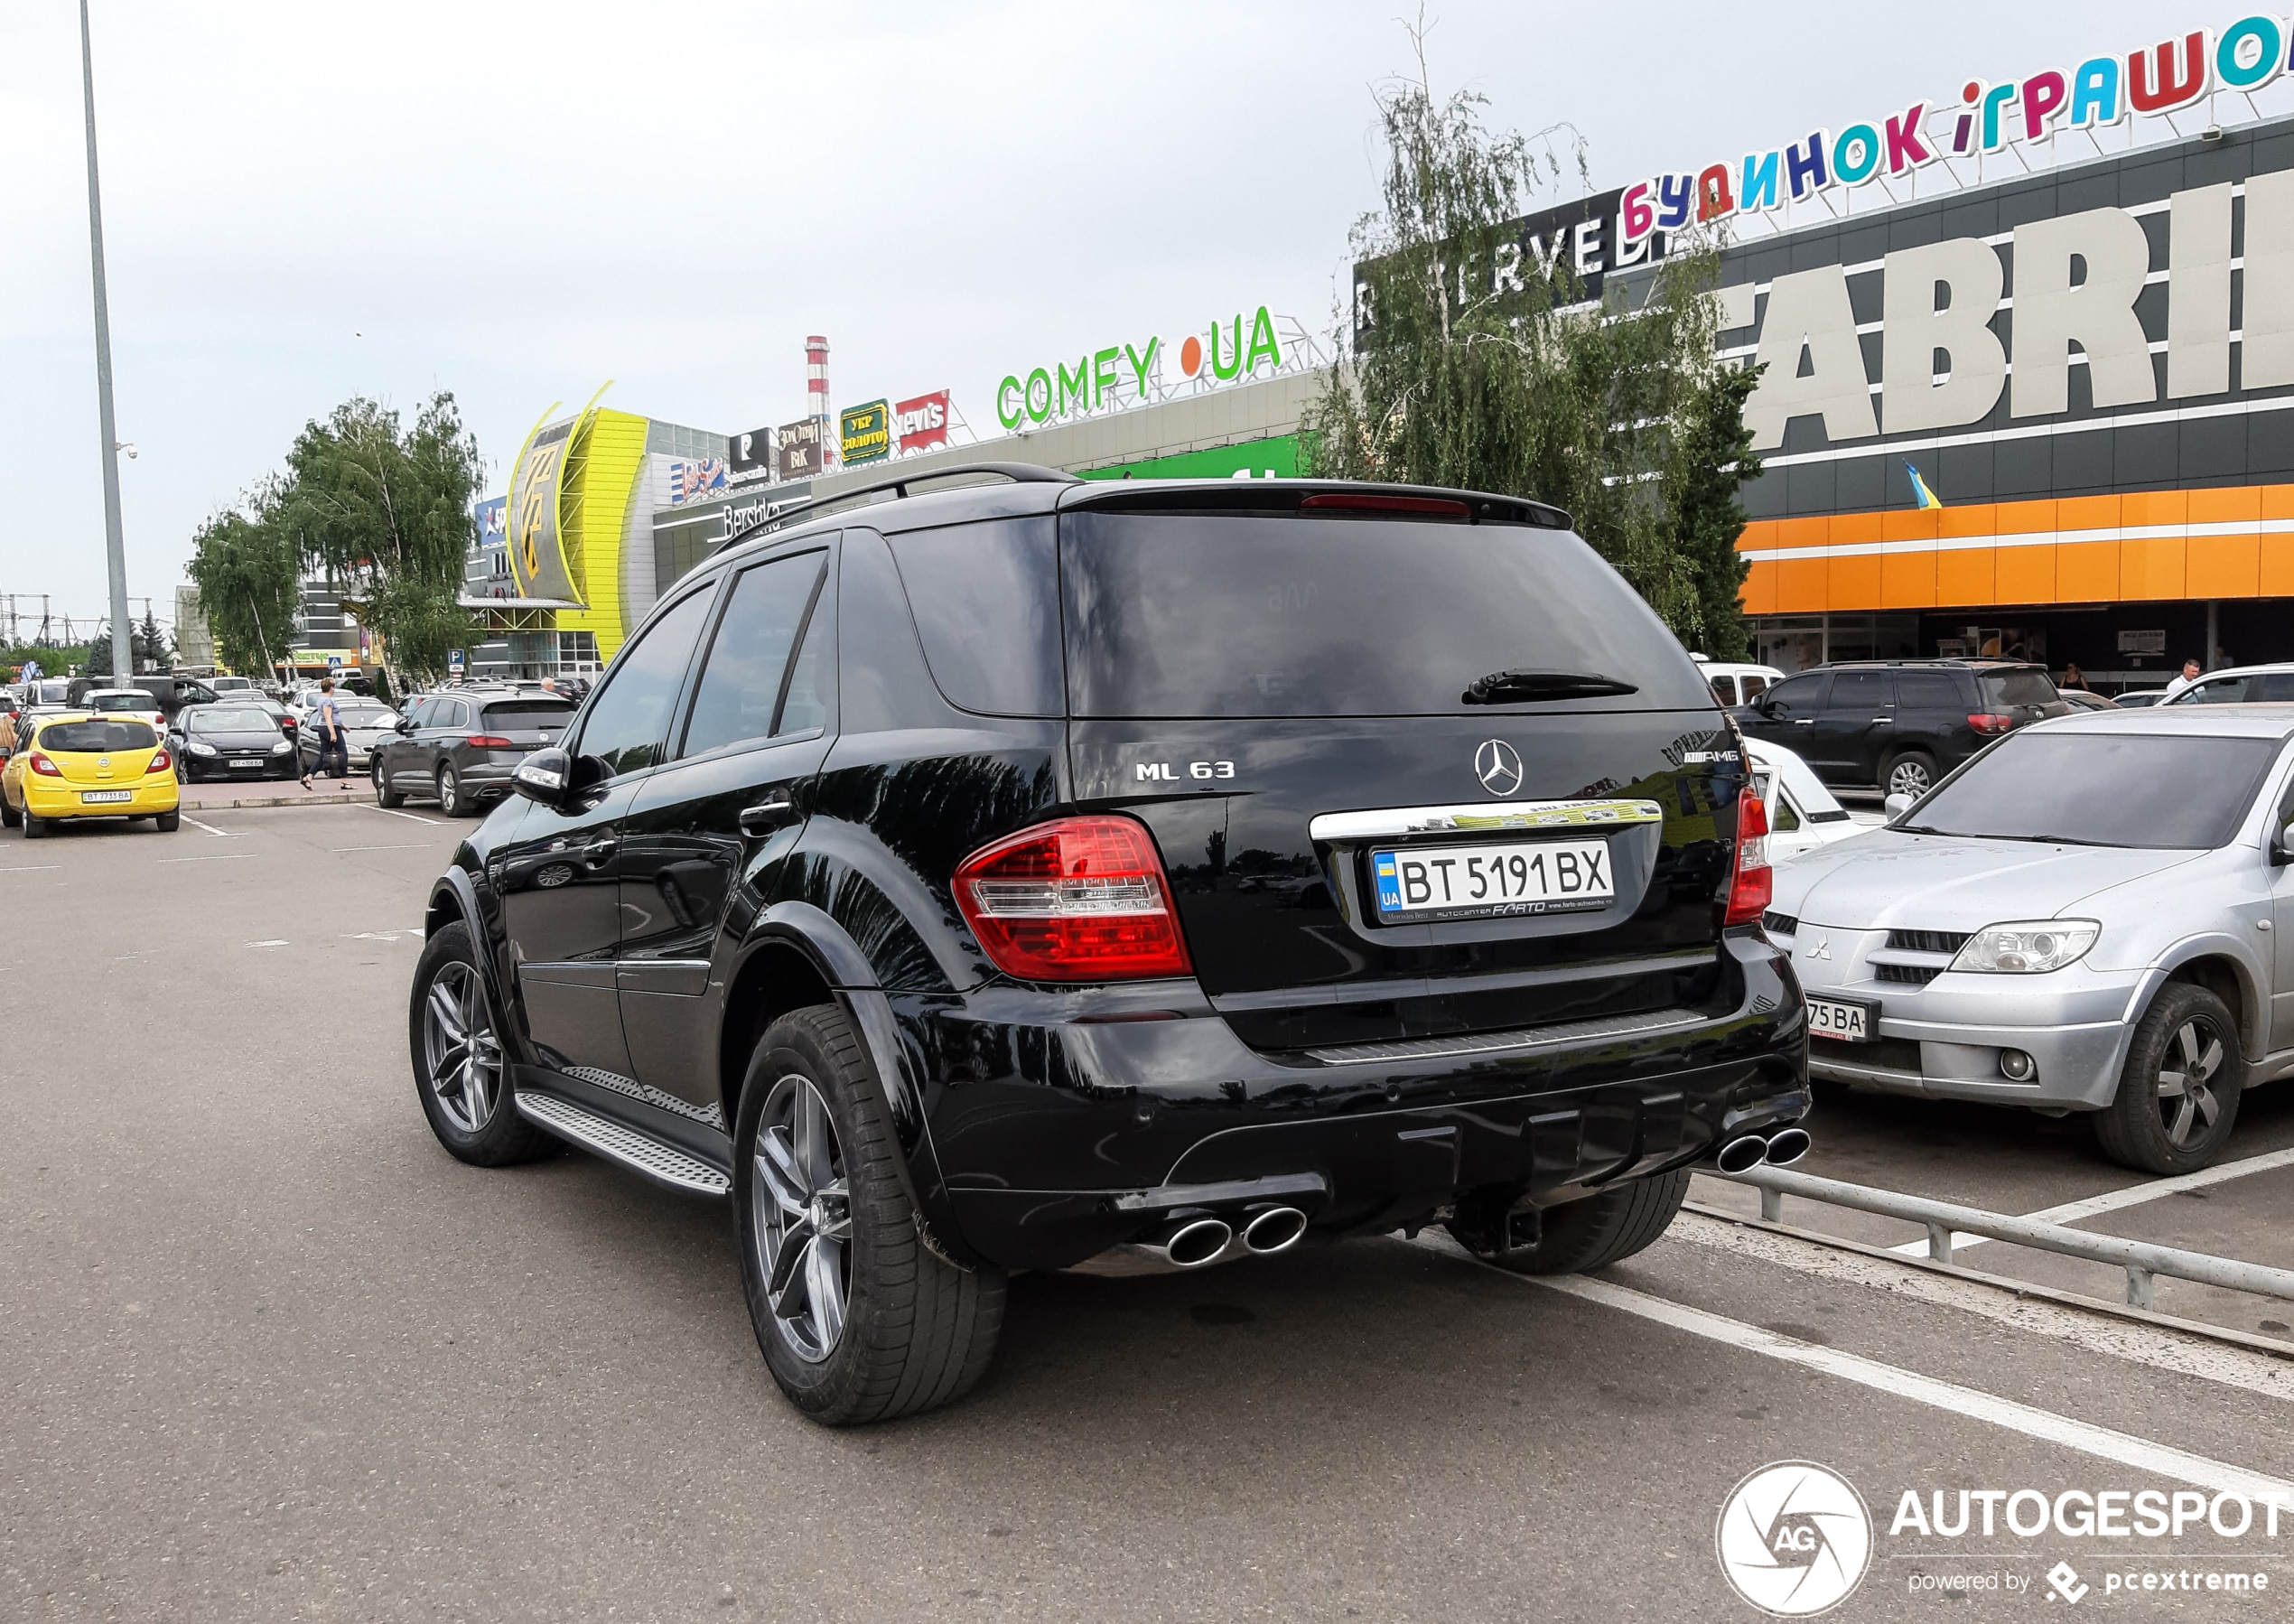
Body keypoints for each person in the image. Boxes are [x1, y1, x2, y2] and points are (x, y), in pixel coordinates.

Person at [302, 678, 349, 789]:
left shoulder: (321, 699)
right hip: (330, 729)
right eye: (333, 687)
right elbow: (328, 717)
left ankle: (309, 777)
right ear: (331, 688)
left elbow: (331, 717)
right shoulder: (328, 701)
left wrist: (343, 726)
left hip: (325, 728)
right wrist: (333, 733)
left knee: (323, 755)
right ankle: (344, 780)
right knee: (343, 753)